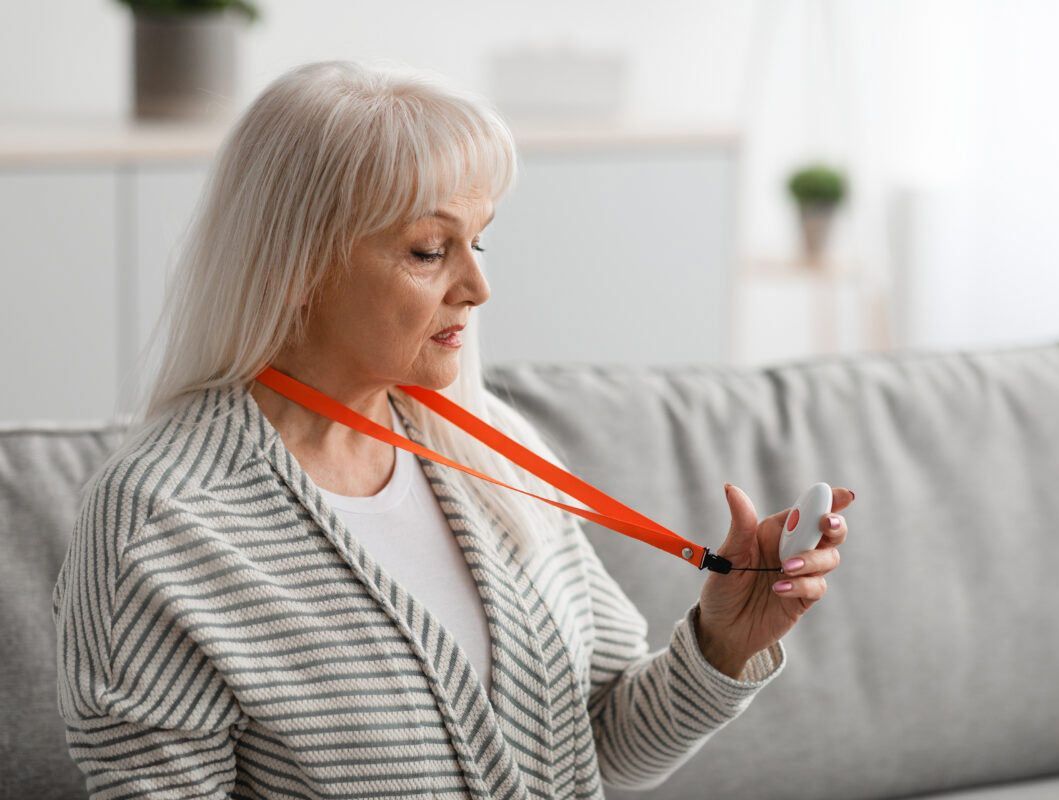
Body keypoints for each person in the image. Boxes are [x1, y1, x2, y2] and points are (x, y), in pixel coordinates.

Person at [51, 59, 854, 799]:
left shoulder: (489, 445)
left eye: (480, 239)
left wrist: (723, 645)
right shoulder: (160, 522)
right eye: (430, 249)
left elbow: (602, 746)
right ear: (293, 265)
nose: (479, 285)